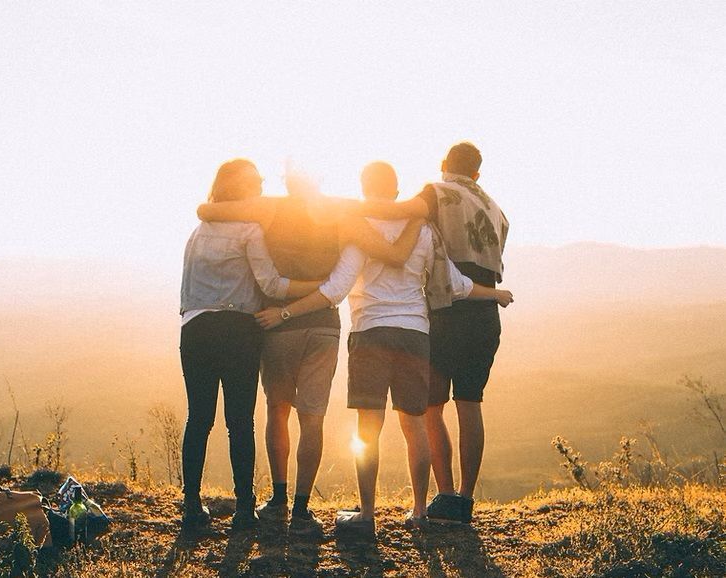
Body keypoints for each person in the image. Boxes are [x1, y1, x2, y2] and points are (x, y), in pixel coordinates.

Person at [255, 161, 513, 534]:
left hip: (370, 333)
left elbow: (336, 289)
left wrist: (285, 312)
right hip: (415, 335)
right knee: (415, 426)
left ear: (364, 188)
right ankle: (421, 511)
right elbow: (455, 284)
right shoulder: (424, 231)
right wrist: (495, 294)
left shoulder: (359, 229)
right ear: (396, 192)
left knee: (368, 429)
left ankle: (367, 515)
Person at [196, 168, 422, 535]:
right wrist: (417, 209)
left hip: (278, 324)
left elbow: (208, 211)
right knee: (312, 417)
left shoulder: (268, 209)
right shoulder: (339, 211)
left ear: (286, 181)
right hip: (323, 326)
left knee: (277, 410)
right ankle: (302, 509)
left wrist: (206, 210)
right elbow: (391, 243)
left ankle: (279, 499)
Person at [356, 142, 510, 525]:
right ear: (477, 173)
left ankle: (443, 494)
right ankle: (465, 500)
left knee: (431, 408)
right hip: (485, 312)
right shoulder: (496, 210)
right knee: (471, 404)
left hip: (445, 311)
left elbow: (398, 212)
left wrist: (348, 210)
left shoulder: (436, 192)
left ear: (444, 165)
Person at [179, 159, 321, 532]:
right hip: (238, 330)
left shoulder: (198, 231)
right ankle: (244, 509)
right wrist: (317, 287)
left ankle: (191, 507)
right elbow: (272, 286)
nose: (260, 187)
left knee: (199, 419)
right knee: (239, 422)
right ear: (242, 189)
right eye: (256, 182)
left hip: (194, 328)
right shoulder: (250, 230)